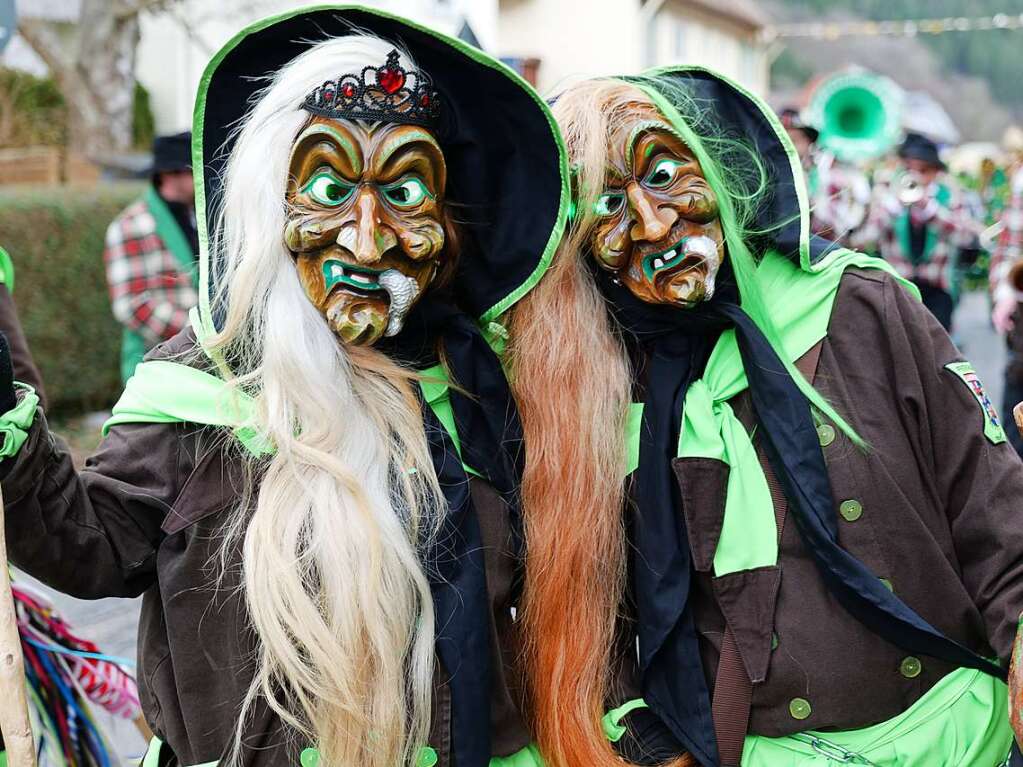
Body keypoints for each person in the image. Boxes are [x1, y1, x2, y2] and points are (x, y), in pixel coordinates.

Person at [0, 6, 568, 766]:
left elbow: (556, 606)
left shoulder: (482, 395)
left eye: (404, 193)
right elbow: (89, 544)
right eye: (329, 186)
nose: (365, 239)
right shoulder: (202, 387)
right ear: (272, 206)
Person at [508, 68, 1023, 767]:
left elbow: (993, 511)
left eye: (663, 173)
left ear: (715, 166)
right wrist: (649, 744)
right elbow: (589, 613)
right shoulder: (583, 383)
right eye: (607, 205)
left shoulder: (862, 306)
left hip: (960, 735)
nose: (653, 223)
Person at [103, 131, 200, 381]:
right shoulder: (131, 225)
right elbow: (133, 305)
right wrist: (197, 331)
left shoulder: (200, 218)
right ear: (170, 174)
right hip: (155, 366)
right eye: (194, 171)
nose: (203, 177)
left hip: (201, 364)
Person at [857, 132, 978, 331]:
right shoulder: (887, 196)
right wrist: (890, 209)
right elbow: (866, 239)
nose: (917, 176)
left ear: (936, 172)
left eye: (924, 170)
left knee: (936, 355)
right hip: (897, 287)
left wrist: (931, 210)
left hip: (937, 289)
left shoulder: (949, 198)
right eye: (910, 169)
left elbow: (964, 237)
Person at [779, 107, 870, 246]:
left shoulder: (830, 176)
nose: (787, 146)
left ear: (808, 142)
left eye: (794, 140)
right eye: (781, 139)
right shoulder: (770, 174)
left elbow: (840, 224)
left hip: (823, 251)